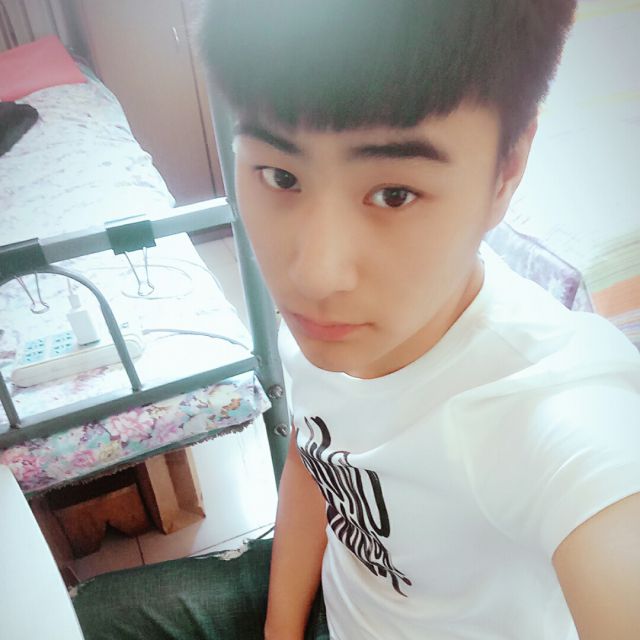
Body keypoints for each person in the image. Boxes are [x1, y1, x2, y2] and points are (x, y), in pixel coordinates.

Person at [73, 2, 640, 639]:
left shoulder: (551, 412)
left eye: (394, 194)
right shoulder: (330, 328)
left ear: (507, 169)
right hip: (326, 589)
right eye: (280, 175)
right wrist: (280, 629)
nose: (313, 275)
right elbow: (315, 460)